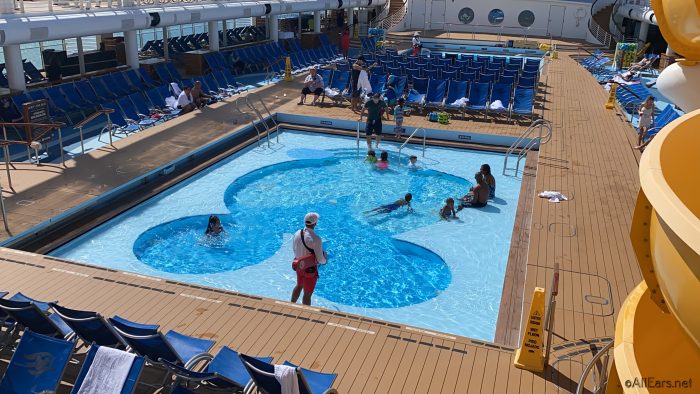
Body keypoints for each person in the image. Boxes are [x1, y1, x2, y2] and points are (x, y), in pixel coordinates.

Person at [291, 212, 327, 306]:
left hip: (299, 266)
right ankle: (306, 312)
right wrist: (325, 258)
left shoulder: (297, 233)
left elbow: (294, 249)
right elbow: (320, 260)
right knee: (307, 293)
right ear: (315, 223)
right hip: (309, 270)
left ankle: (291, 305)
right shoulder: (316, 239)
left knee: (299, 286)